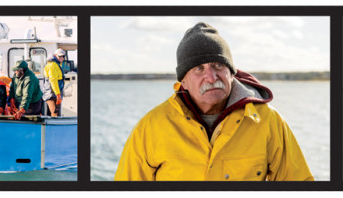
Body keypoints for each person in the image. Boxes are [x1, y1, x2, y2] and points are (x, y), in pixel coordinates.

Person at [114, 22, 313, 181]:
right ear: (183, 80)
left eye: (218, 65)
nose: (211, 77)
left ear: (231, 73)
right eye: (199, 69)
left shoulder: (269, 121)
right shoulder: (150, 127)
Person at [42, 49, 66, 117]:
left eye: (63, 56)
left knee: (55, 114)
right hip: (52, 94)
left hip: (54, 94)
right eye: (60, 56)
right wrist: (58, 94)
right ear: (55, 56)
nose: (62, 58)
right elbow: (53, 80)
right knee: (55, 114)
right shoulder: (53, 65)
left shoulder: (56, 65)